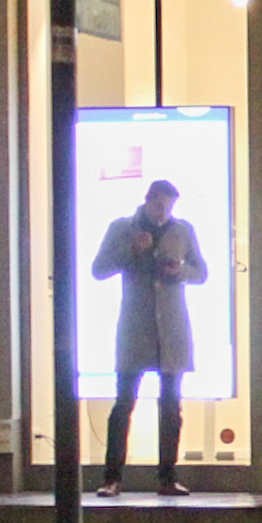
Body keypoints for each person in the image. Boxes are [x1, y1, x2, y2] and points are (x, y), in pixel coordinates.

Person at [91, 179, 207, 495]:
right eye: (158, 205)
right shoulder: (122, 228)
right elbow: (98, 269)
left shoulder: (182, 231)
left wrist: (179, 270)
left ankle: (167, 478)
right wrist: (132, 250)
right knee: (124, 403)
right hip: (135, 329)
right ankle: (112, 478)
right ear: (147, 200)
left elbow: (202, 273)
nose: (163, 212)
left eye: (168, 207)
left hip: (171, 331)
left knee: (171, 405)